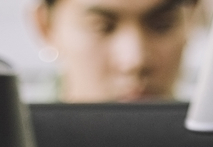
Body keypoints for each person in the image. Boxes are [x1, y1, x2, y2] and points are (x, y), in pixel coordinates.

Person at [30, 0, 199, 102]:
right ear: (46, 26)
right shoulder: (8, 146)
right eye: (101, 26)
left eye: (162, 24)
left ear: (193, 20)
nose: (135, 61)